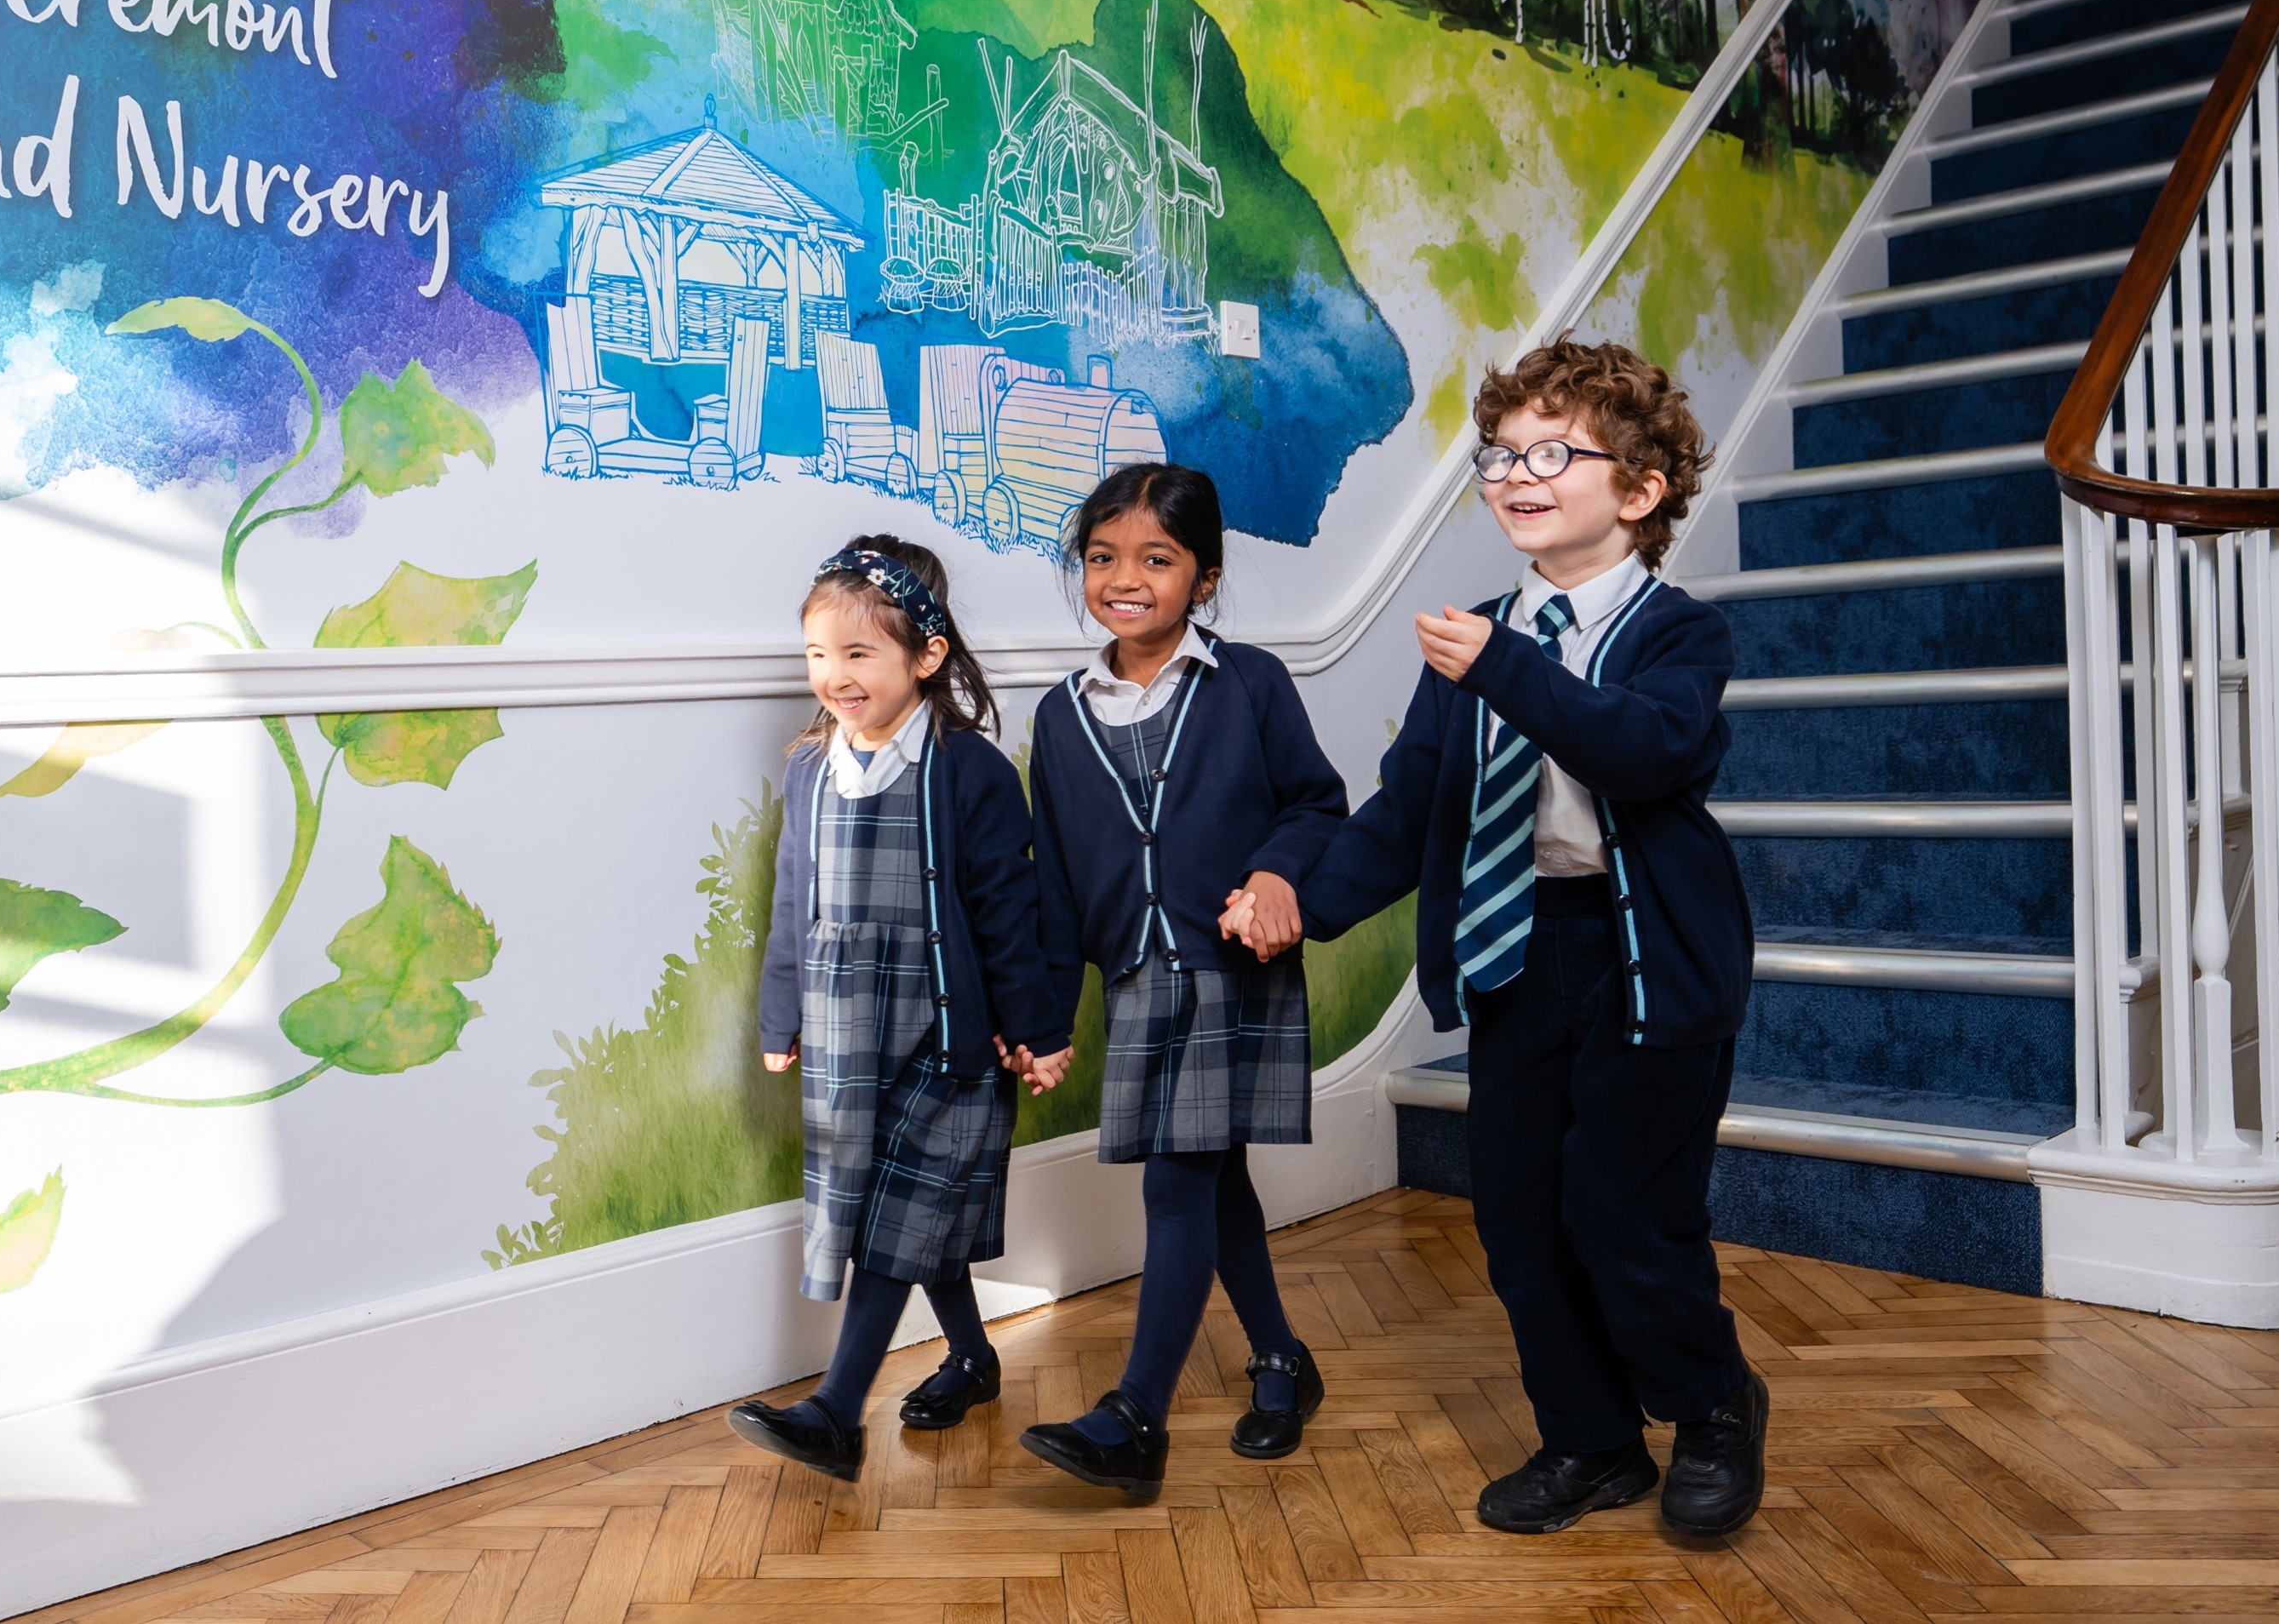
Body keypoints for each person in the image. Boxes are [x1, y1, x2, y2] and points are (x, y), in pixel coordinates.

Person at [1227, 338, 1766, 1537]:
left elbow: (1645, 750)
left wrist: (1508, 666)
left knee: (1627, 1215)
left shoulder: (1680, 635)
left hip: (1651, 963)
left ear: (1637, 490)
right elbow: (1409, 808)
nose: (1518, 471)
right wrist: (1302, 904)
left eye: (1554, 451)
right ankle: (1591, 1438)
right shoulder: (1478, 637)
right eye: (1502, 453)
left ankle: (1715, 1404)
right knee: (1521, 1221)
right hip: (1518, 949)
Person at [1014, 465, 1351, 1500]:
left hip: (1228, 971)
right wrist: (1041, 1016)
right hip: (1136, 982)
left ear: (1202, 579)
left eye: (1155, 559)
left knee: (1177, 1182)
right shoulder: (1061, 717)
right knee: (1214, 1181)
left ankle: (1134, 1418)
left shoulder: (1249, 683)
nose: (1126, 578)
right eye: (1103, 557)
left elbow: (1317, 804)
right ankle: (1284, 1360)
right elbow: (1057, 883)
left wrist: (1271, 872)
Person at [732, 535, 1075, 1482]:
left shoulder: (966, 770)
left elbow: (1010, 910)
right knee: (909, 1212)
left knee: (896, 1216)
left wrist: (1038, 1030)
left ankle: (837, 1409)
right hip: (846, 1026)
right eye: (818, 655)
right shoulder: (812, 766)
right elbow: (790, 899)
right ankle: (970, 1355)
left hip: (944, 1029)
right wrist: (779, 1015)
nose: (834, 676)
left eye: (857, 654)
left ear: (924, 656)